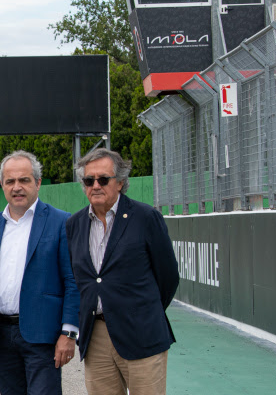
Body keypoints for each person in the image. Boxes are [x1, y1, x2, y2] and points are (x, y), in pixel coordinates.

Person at [0, 150, 80, 395]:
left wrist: (69, 332)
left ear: (37, 183)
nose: (17, 187)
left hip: (43, 336)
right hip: (1, 336)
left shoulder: (61, 222)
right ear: (3, 185)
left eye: (24, 180)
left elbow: (72, 281)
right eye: (10, 181)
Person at [66, 148, 179, 395]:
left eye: (103, 179)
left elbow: (168, 277)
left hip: (142, 333)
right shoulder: (74, 224)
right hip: (95, 337)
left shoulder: (146, 217)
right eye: (88, 180)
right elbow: (79, 281)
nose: (95, 185)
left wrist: (142, 311)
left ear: (120, 183)